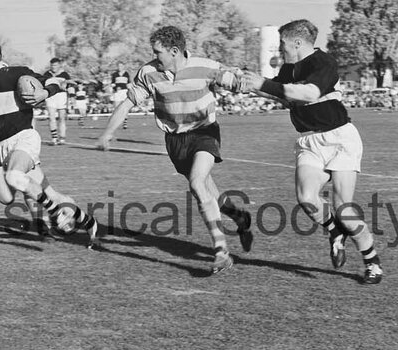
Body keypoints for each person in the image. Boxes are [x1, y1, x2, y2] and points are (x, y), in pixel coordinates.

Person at [96, 26, 253, 274]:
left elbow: (238, 83)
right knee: (207, 191)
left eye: (158, 52)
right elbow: (126, 104)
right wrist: (108, 133)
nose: (154, 56)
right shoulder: (148, 72)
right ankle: (238, 216)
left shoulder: (205, 67)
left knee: (197, 183)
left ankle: (221, 251)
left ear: (174, 51)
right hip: (175, 142)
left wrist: (244, 79)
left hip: (204, 132)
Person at [238, 19, 381, 284]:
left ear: (297, 42)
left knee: (344, 208)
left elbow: (308, 92)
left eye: (282, 44)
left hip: (339, 138)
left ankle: (371, 260)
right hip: (308, 141)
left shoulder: (323, 63)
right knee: (306, 198)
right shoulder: (289, 67)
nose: (280, 49)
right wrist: (246, 84)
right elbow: (281, 93)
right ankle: (334, 230)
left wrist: (263, 85)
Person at [0, 40, 100, 243]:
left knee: (14, 176)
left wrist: (45, 92)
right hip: (1, 147)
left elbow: (50, 82)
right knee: (42, 189)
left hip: (24, 138)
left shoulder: (16, 74)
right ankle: (88, 222)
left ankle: (52, 213)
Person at [41, 57, 71, 145]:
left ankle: (62, 138)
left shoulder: (64, 74)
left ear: (59, 65)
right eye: (52, 65)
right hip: (51, 96)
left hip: (61, 96)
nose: (53, 67)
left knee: (62, 118)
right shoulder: (47, 74)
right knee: (51, 117)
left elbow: (69, 86)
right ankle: (54, 137)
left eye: (55, 65)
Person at [111, 62, 132, 130]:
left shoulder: (126, 74)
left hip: (124, 92)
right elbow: (112, 84)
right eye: (119, 66)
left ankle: (125, 123)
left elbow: (129, 84)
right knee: (116, 108)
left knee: (125, 107)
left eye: (121, 66)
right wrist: (115, 88)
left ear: (123, 66)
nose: (120, 67)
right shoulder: (114, 74)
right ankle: (116, 123)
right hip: (117, 92)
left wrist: (130, 90)